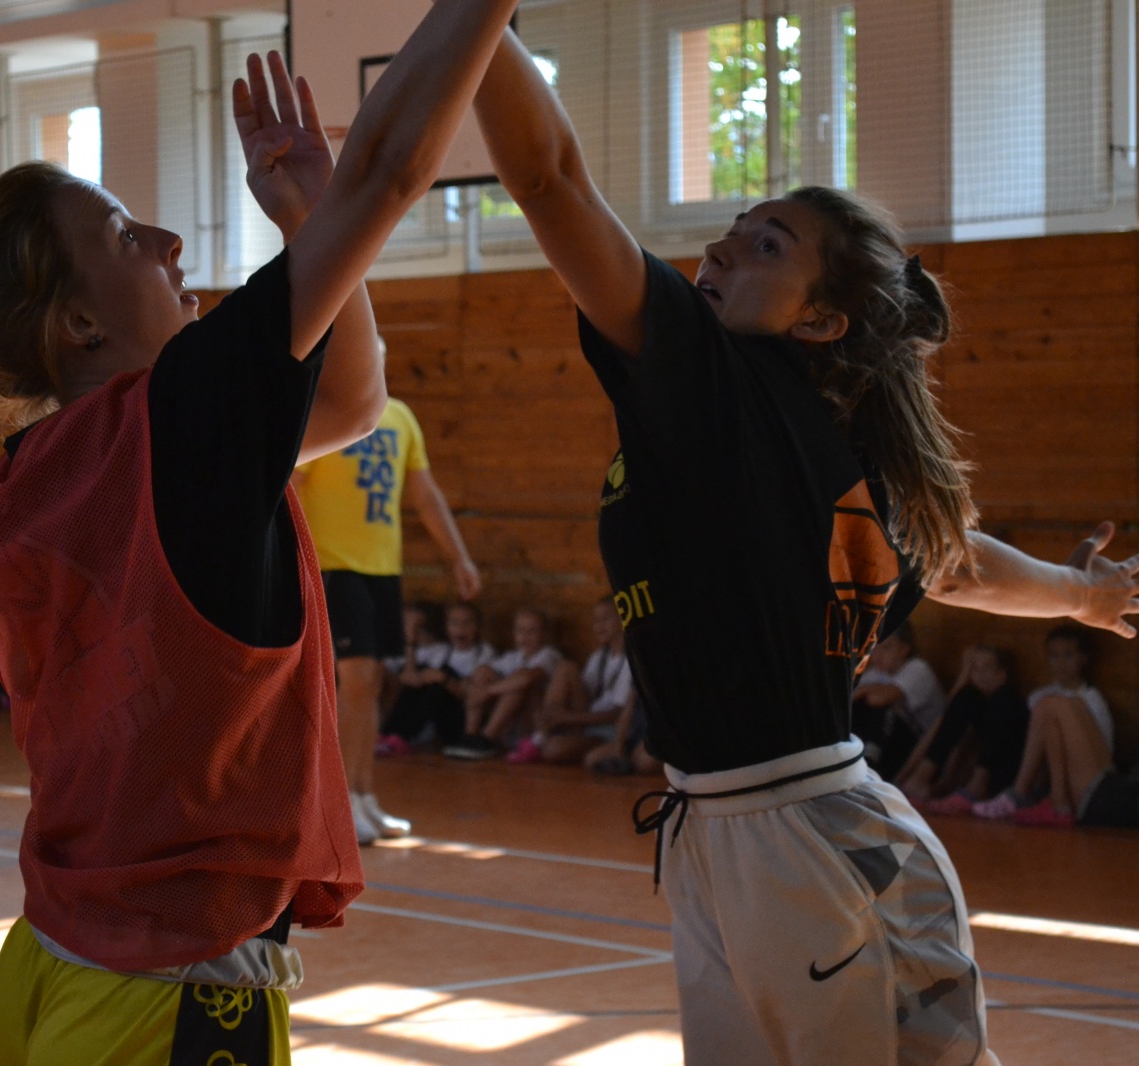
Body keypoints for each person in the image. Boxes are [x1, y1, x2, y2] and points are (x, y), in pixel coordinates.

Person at [0, 3, 521, 1060]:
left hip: (53, 958)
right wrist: (335, 199)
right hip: (168, 996)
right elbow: (394, 171)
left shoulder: (28, 481)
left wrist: (310, 225)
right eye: (125, 236)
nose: (169, 241)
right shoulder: (179, 420)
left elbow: (352, 405)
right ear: (79, 322)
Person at [471, 23, 1139, 1065]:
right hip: (720, 831)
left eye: (766, 245)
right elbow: (954, 559)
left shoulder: (728, 388)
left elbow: (549, 176)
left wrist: (473, 25)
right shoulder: (796, 445)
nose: (720, 249)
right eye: (731, 230)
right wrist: (1079, 595)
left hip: (812, 842)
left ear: (821, 322)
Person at [294, 387, 482, 843]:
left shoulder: (401, 417)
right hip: (334, 565)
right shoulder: (329, 412)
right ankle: (336, 805)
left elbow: (426, 495)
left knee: (373, 682)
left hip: (382, 568)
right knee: (357, 678)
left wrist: (458, 556)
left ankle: (363, 795)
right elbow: (292, 486)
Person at [973, 625, 1114, 827]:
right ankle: (1023, 793)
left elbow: (1103, 753)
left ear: (1082, 659)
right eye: (1054, 656)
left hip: (1079, 775)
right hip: (1041, 773)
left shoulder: (1092, 700)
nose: (1061, 663)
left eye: (1068, 655)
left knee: (1050, 706)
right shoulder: (1039, 696)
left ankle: (1029, 795)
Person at [896, 644, 1029, 813]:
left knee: (1001, 698)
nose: (980, 674)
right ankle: (920, 778)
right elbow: (949, 713)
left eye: (987, 668)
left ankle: (977, 785)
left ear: (1002, 673)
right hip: (978, 767)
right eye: (975, 669)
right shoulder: (975, 700)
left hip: (1010, 770)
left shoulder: (1011, 701)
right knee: (965, 697)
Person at [508, 597, 637, 767]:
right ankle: (540, 736)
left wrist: (567, 718)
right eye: (596, 620)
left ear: (623, 619)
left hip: (613, 729)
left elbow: (617, 715)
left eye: (605, 618)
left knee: (553, 750)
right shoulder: (599, 656)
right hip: (586, 720)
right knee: (565, 668)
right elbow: (586, 696)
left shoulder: (631, 659)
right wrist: (555, 715)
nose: (599, 626)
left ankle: (542, 739)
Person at [443, 607, 564, 760]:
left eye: (532, 631)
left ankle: (486, 739)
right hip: (510, 723)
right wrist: (472, 684)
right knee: (483, 672)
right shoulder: (514, 656)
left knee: (518, 681)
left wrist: (487, 691)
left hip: (534, 724)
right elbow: (481, 672)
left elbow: (526, 679)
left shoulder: (549, 655)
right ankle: (470, 736)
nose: (525, 636)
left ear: (545, 634)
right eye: (520, 630)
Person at [378, 600, 495, 755]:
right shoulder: (444, 651)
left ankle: (404, 737)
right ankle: (389, 734)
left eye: (467, 623)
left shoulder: (483, 652)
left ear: (478, 627)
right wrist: (411, 642)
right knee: (423, 678)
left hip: (465, 721)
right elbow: (411, 679)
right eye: (454, 623)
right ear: (446, 627)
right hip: (442, 719)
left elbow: (473, 695)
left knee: (438, 684)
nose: (461, 629)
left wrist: (443, 679)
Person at [851, 622, 945, 778]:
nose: (877, 655)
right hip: (889, 742)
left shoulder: (918, 668)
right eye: (874, 648)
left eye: (886, 648)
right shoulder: (874, 674)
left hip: (921, 745)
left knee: (882, 709)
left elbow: (879, 699)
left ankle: (869, 766)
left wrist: (866, 691)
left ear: (904, 649)